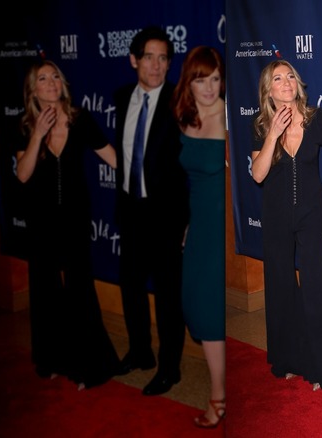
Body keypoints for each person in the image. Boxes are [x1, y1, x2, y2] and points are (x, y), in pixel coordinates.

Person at [251, 59, 322, 391]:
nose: (286, 82)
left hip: (311, 212)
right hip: (276, 215)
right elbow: (258, 174)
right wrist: (273, 135)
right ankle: (288, 359)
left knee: (313, 282)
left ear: (298, 84)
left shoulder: (316, 119)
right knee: (280, 283)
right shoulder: (261, 126)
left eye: (290, 77)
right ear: (268, 90)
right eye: (277, 79)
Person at [16, 59, 120, 390]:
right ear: (32, 90)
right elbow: (23, 174)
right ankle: (50, 358)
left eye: (55, 77)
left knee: (79, 289)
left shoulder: (79, 118)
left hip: (75, 217)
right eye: (42, 78)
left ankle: (89, 366)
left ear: (63, 83)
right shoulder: (25, 126)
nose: (51, 82)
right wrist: (38, 135)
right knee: (45, 288)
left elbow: (112, 158)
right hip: (41, 220)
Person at [113, 26, 189, 397]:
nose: (157, 65)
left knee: (168, 296)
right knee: (130, 287)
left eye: (163, 58)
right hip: (130, 210)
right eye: (149, 57)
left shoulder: (179, 102)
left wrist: (187, 219)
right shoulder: (121, 98)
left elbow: (188, 166)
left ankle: (169, 368)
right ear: (134, 60)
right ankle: (139, 351)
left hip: (166, 217)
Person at [172, 45, 227, 427]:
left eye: (215, 79)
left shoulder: (228, 119)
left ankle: (219, 397)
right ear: (188, 83)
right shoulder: (183, 117)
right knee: (195, 304)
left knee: (210, 310)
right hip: (197, 225)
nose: (209, 88)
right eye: (200, 80)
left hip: (221, 228)